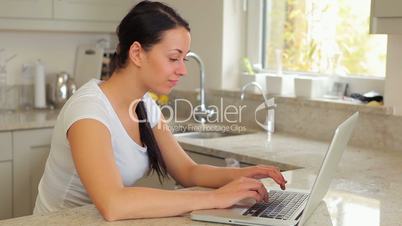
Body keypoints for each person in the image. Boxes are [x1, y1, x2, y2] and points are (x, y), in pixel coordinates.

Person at [34, 0, 287, 221]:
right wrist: (215, 199)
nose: (182, 70)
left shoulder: (145, 105)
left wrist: (242, 175)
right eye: (173, 58)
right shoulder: (88, 112)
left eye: (184, 59)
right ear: (136, 53)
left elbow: (187, 172)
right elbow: (114, 203)